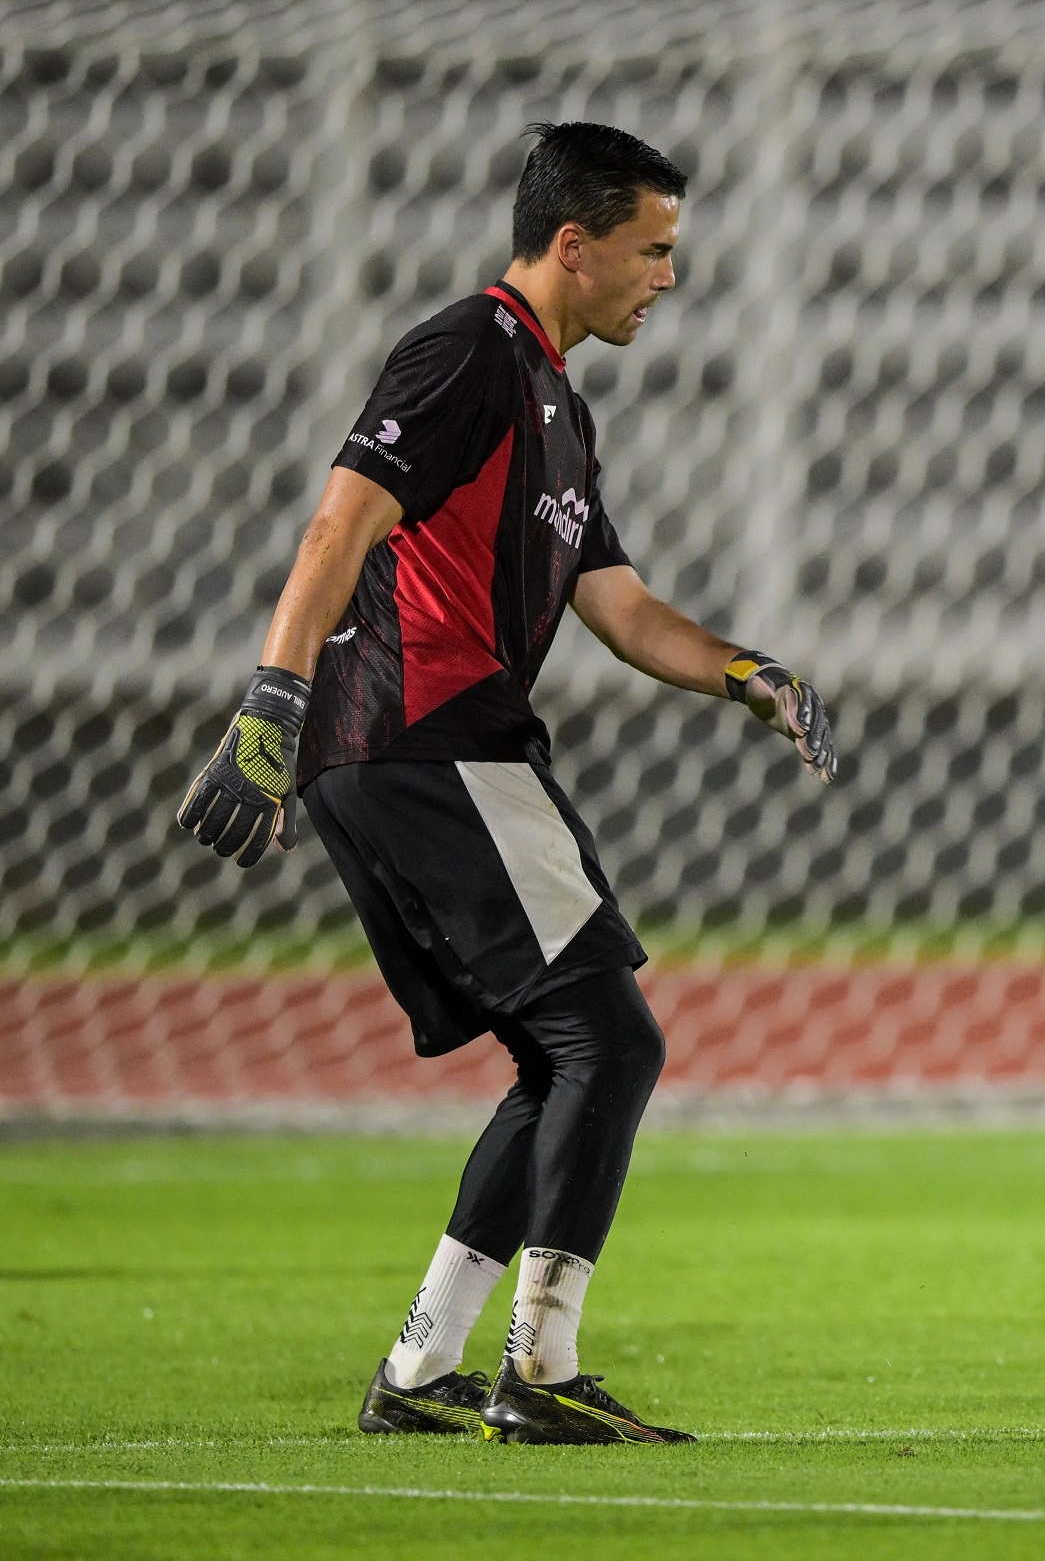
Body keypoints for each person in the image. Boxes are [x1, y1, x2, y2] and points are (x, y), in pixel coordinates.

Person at [175, 122, 835, 1446]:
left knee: (562, 1054)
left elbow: (624, 608)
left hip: (421, 753)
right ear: (573, 244)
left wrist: (743, 671)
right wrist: (272, 700)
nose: (669, 276)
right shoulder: (468, 352)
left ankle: (424, 1367)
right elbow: (340, 519)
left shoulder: (559, 407)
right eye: (652, 249)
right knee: (612, 1041)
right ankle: (541, 1367)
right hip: (432, 744)